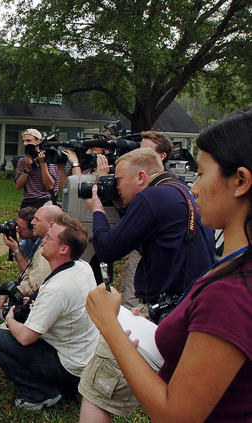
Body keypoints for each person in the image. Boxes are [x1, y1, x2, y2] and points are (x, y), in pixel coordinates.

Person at [85, 107, 252, 422]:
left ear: (240, 181)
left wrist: (109, 323)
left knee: (95, 397)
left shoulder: (230, 293)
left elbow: (176, 414)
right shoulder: (231, 265)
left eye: (201, 173)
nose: (196, 187)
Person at [78, 147, 215, 421]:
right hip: (186, 312)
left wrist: (97, 209)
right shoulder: (182, 193)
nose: (115, 187)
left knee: (96, 396)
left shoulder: (152, 198)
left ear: (141, 177)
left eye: (118, 180)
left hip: (156, 316)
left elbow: (106, 249)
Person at [0, 213, 98, 410]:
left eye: (49, 238)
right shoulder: (82, 267)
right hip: (85, 360)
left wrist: (10, 319)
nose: (43, 240)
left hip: (70, 371)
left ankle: (41, 393)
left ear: (64, 249)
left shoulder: (57, 290)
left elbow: (27, 338)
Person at [119, 131, 176, 309]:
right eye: (138, 149)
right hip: (140, 250)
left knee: (132, 302)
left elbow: (109, 248)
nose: (138, 154)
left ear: (162, 156)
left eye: (145, 150)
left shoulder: (164, 188)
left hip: (152, 256)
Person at [0, 205, 62, 319]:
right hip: (34, 293)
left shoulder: (48, 248)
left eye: (37, 220)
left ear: (51, 225)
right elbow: (29, 274)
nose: (33, 222)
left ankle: (17, 321)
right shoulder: (38, 242)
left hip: (38, 303)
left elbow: (34, 283)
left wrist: (12, 291)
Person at [15, 128, 59, 209]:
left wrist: (43, 163)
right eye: (23, 141)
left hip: (46, 200)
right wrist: (27, 169)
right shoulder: (22, 161)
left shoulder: (49, 158)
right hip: (28, 200)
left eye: (28, 141)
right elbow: (18, 186)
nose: (25, 144)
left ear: (38, 141)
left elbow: (49, 186)